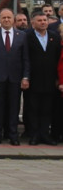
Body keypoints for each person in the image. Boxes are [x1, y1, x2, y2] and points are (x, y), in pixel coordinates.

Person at [0, 8, 29, 146]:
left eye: (9, 17)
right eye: (3, 18)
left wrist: (25, 77)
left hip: (15, 78)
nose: (6, 20)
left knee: (14, 107)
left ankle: (13, 135)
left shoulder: (21, 35)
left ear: (13, 19)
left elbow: (26, 58)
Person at [26, 11, 61, 145]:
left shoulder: (54, 37)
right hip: (33, 79)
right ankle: (34, 135)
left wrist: (58, 78)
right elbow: (25, 58)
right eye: (39, 20)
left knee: (47, 109)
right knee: (34, 109)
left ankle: (45, 134)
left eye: (45, 20)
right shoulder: (27, 37)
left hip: (50, 80)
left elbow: (58, 59)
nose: (43, 22)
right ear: (33, 23)